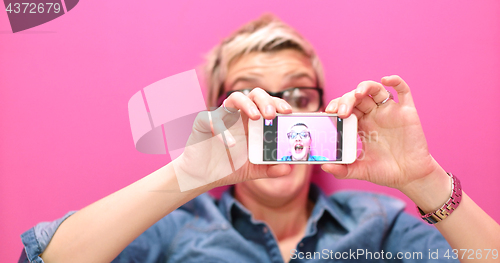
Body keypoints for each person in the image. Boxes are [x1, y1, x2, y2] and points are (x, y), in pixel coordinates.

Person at [20, 15, 500, 263]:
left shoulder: (382, 226)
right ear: (220, 114)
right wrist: (185, 175)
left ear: (324, 110)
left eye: (297, 92)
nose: (280, 111)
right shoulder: (171, 228)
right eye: (251, 94)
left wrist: (426, 180)